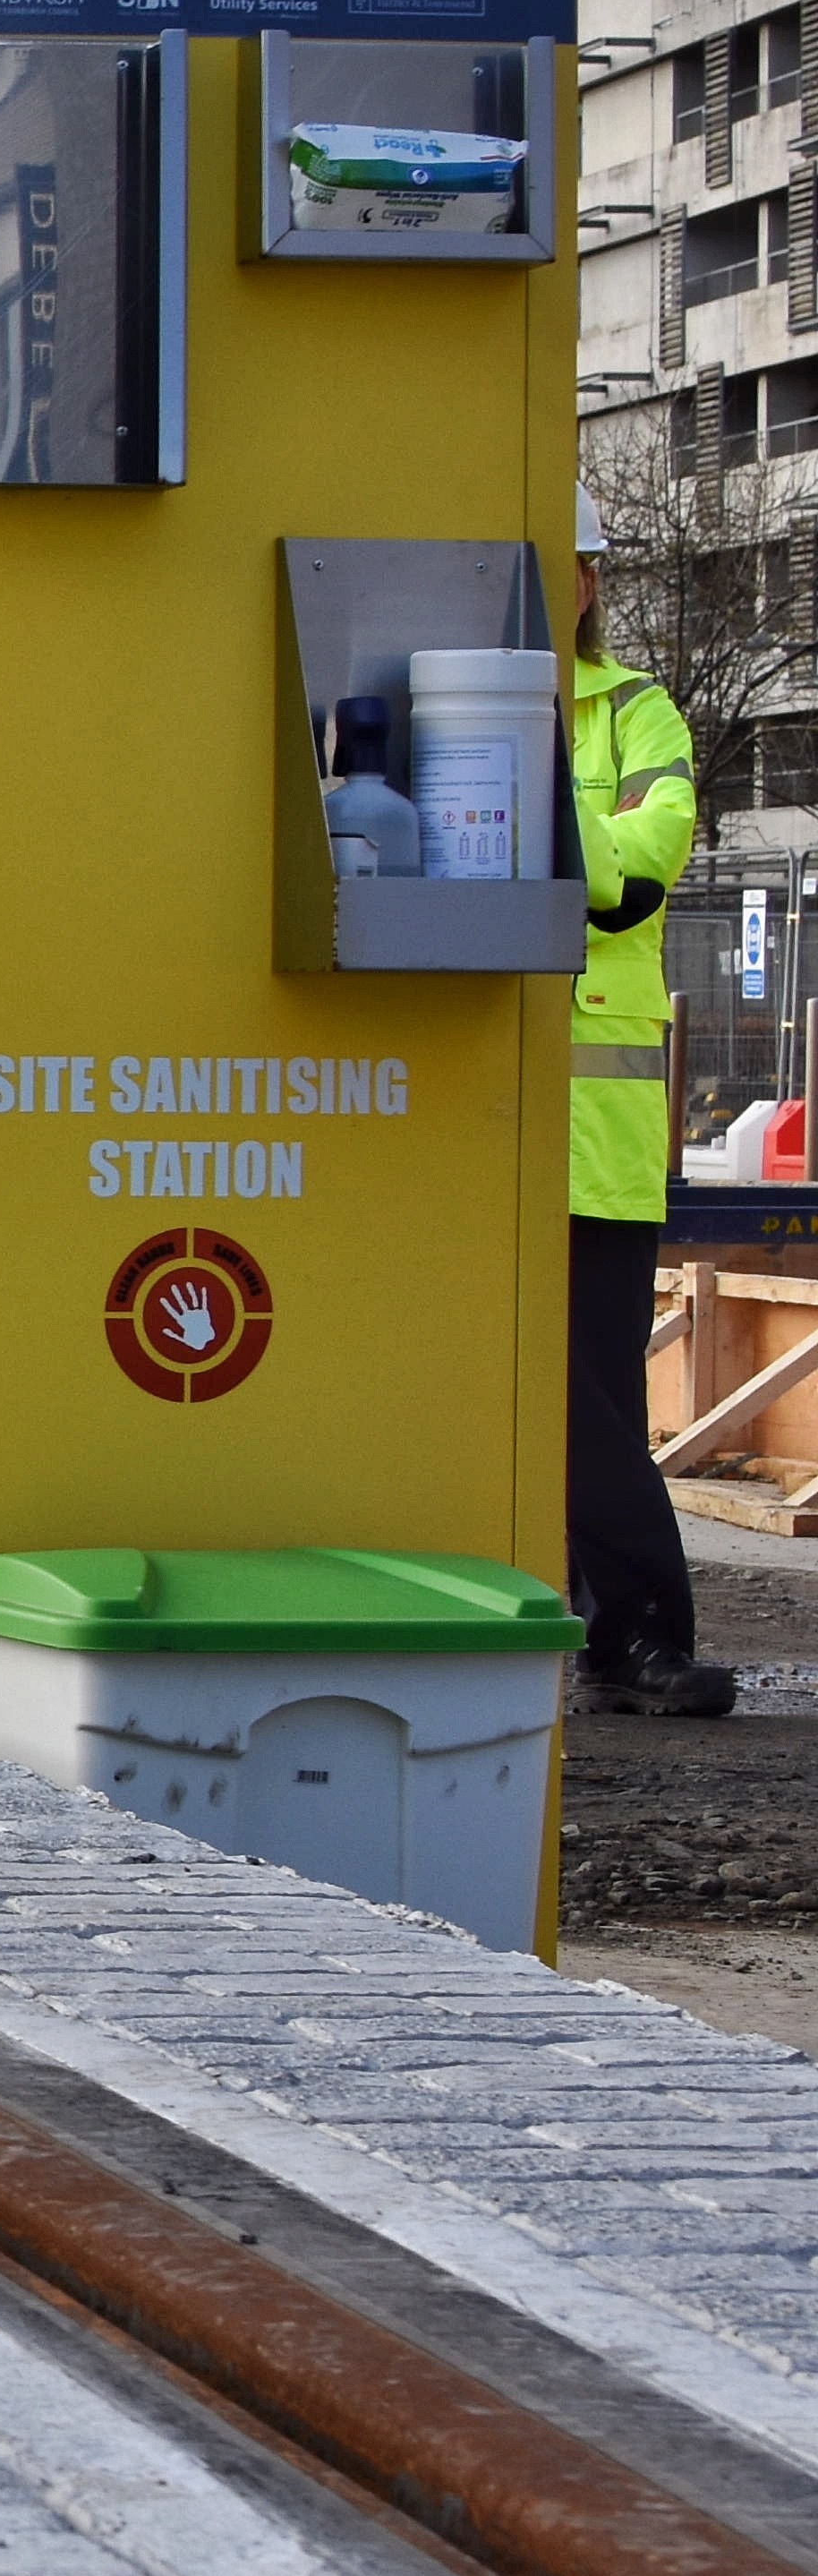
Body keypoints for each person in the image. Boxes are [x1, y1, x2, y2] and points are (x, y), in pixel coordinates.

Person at [567, 522, 735, 1715]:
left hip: (595, 1143)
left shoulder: (639, 714)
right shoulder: (438, 695)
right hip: (459, 1134)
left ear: (585, 580)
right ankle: (620, 1634)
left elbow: (634, 876)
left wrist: (501, 816)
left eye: (564, 557)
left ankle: (638, 1639)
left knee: (595, 1410)